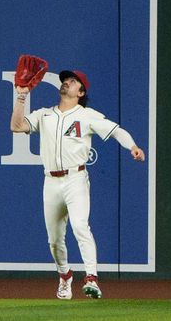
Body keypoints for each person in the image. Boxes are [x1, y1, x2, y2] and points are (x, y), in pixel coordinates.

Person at [10, 69, 145, 300]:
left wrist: (132, 146)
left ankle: (92, 279)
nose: (66, 83)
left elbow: (117, 131)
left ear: (80, 92)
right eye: (65, 80)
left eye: (72, 81)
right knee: (54, 240)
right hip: (51, 181)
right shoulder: (44, 114)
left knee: (81, 226)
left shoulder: (87, 115)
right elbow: (16, 126)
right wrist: (21, 96)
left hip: (76, 178)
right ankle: (65, 276)